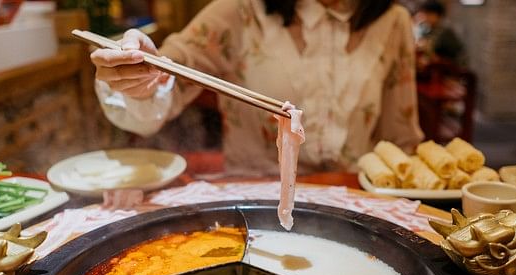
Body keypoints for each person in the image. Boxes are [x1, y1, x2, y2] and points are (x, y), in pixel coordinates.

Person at [91, 0, 424, 176]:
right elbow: (170, 66)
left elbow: (400, 140)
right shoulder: (240, 10)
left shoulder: (393, 21)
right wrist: (142, 75)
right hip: (254, 199)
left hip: (352, 201)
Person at [413, 0, 465, 69]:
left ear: (438, 15)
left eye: (429, 14)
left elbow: (456, 56)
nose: (426, 17)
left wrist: (436, 58)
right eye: (425, 14)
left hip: (444, 72)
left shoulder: (446, 33)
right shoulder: (427, 31)